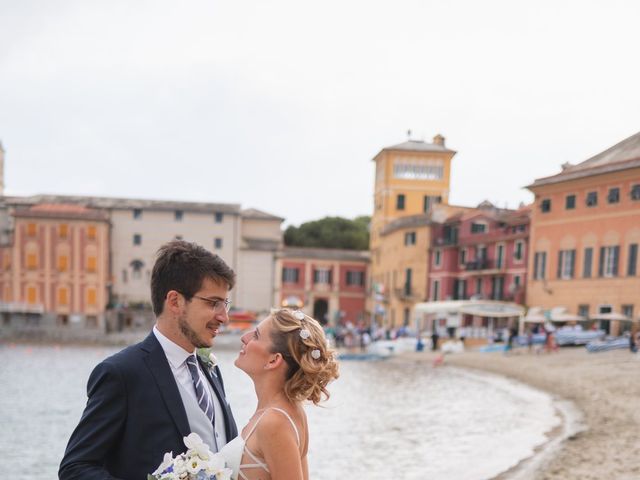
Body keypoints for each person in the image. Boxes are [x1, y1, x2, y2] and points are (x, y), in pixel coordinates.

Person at [59, 241, 238, 480]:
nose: (224, 317)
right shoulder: (122, 373)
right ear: (174, 301)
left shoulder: (211, 370)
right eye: (213, 303)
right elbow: (76, 467)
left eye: (225, 304)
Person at [220, 308, 339, 480]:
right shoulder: (289, 411)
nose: (244, 337)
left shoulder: (274, 422)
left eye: (256, 336)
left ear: (273, 360)